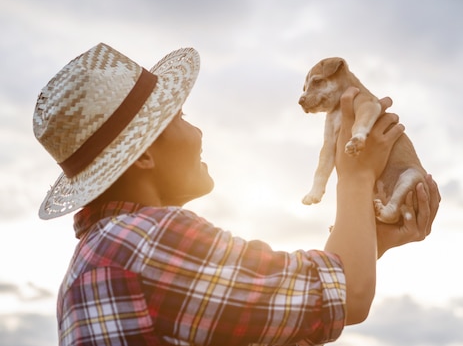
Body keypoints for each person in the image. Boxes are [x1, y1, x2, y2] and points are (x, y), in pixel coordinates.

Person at [33, 43, 440, 346]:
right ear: (142, 158)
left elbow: (290, 323)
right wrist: (356, 175)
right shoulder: (151, 239)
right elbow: (346, 296)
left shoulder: (98, 256)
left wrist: (373, 240)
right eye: (180, 118)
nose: (197, 131)